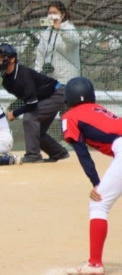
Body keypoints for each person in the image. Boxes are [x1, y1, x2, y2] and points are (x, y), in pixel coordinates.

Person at [62, 77, 122, 275]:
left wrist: (96, 183)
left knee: (99, 204)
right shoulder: (100, 109)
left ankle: (94, 264)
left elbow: (82, 153)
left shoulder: (70, 116)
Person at [0, 43, 71, 163]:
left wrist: (15, 113)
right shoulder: (7, 81)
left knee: (30, 118)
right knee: (37, 131)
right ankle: (58, 152)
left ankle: (33, 155)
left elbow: (32, 104)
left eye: (3, 57)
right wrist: (13, 108)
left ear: (12, 59)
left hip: (56, 95)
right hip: (45, 97)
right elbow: (25, 97)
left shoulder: (23, 75)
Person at [34, 1, 80, 84]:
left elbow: (73, 43)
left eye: (54, 13)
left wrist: (60, 30)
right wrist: (37, 75)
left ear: (62, 15)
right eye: (50, 13)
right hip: (50, 80)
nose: (51, 15)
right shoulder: (47, 32)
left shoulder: (69, 28)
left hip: (68, 80)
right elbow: (40, 54)